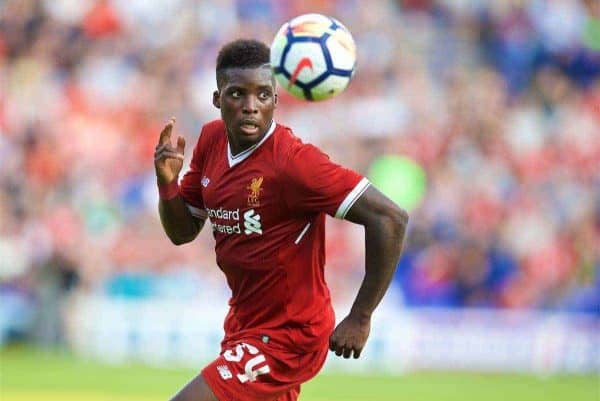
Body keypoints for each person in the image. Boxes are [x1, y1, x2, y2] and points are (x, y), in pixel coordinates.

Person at [154, 39, 408, 401]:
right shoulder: (211, 141)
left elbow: (390, 217)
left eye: (263, 95)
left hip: (291, 335)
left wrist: (361, 316)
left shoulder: (294, 163)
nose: (250, 107)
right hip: (246, 324)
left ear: (276, 99)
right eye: (237, 94)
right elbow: (182, 232)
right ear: (217, 100)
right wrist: (168, 184)